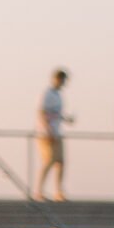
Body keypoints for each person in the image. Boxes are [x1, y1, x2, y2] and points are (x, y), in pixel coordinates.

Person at [34, 69, 70, 200]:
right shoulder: (47, 94)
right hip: (46, 134)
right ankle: (39, 191)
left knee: (60, 162)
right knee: (48, 161)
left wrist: (66, 119)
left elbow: (57, 114)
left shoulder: (59, 95)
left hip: (57, 132)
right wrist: (48, 131)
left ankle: (58, 191)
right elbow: (42, 113)